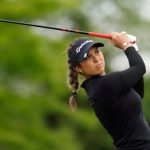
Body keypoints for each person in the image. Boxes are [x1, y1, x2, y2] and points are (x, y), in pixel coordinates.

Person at [66, 32, 150, 149]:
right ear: (79, 68)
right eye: (88, 57)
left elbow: (138, 94)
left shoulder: (101, 85)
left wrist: (132, 47)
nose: (96, 58)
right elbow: (140, 67)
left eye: (97, 51)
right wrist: (126, 45)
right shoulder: (104, 85)